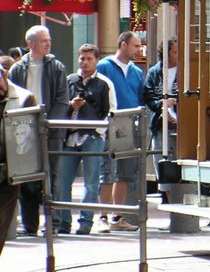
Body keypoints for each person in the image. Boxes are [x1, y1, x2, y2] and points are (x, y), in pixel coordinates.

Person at [8, 25, 69, 236]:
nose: (49, 43)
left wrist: (50, 124)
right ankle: (30, 225)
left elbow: (62, 100)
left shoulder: (57, 67)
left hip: (50, 131)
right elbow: (12, 98)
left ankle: (54, 225)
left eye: (49, 39)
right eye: (44, 40)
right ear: (31, 44)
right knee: (27, 179)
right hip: (24, 131)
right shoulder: (17, 69)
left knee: (52, 177)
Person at [55, 45, 115, 235]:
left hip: (92, 137)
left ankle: (85, 223)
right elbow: (60, 106)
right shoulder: (69, 80)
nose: (85, 62)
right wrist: (71, 106)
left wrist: (98, 131)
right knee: (63, 181)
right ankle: (64, 222)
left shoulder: (104, 83)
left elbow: (111, 112)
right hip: (69, 136)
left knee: (91, 182)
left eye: (89, 58)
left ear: (97, 60)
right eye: (82, 58)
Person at [96, 31, 145, 232]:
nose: (139, 49)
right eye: (136, 46)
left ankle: (118, 217)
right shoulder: (104, 67)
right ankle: (103, 217)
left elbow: (140, 97)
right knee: (106, 171)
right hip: (109, 123)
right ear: (123, 45)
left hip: (129, 124)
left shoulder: (137, 71)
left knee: (125, 173)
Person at [0, 69, 38, 256]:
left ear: (4, 74)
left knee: (1, 223)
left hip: (8, 172)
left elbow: (32, 136)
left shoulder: (24, 98)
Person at [143, 38, 178, 199]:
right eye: (175, 52)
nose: (178, 55)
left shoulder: (185, 70)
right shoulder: (154, 72)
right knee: (161, 158)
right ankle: (165, 193)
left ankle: (178, 192)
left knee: (179, 158)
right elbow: (148, 97)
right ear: (166, 54)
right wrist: (162, 104)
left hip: (182, 124)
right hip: (160, 123)